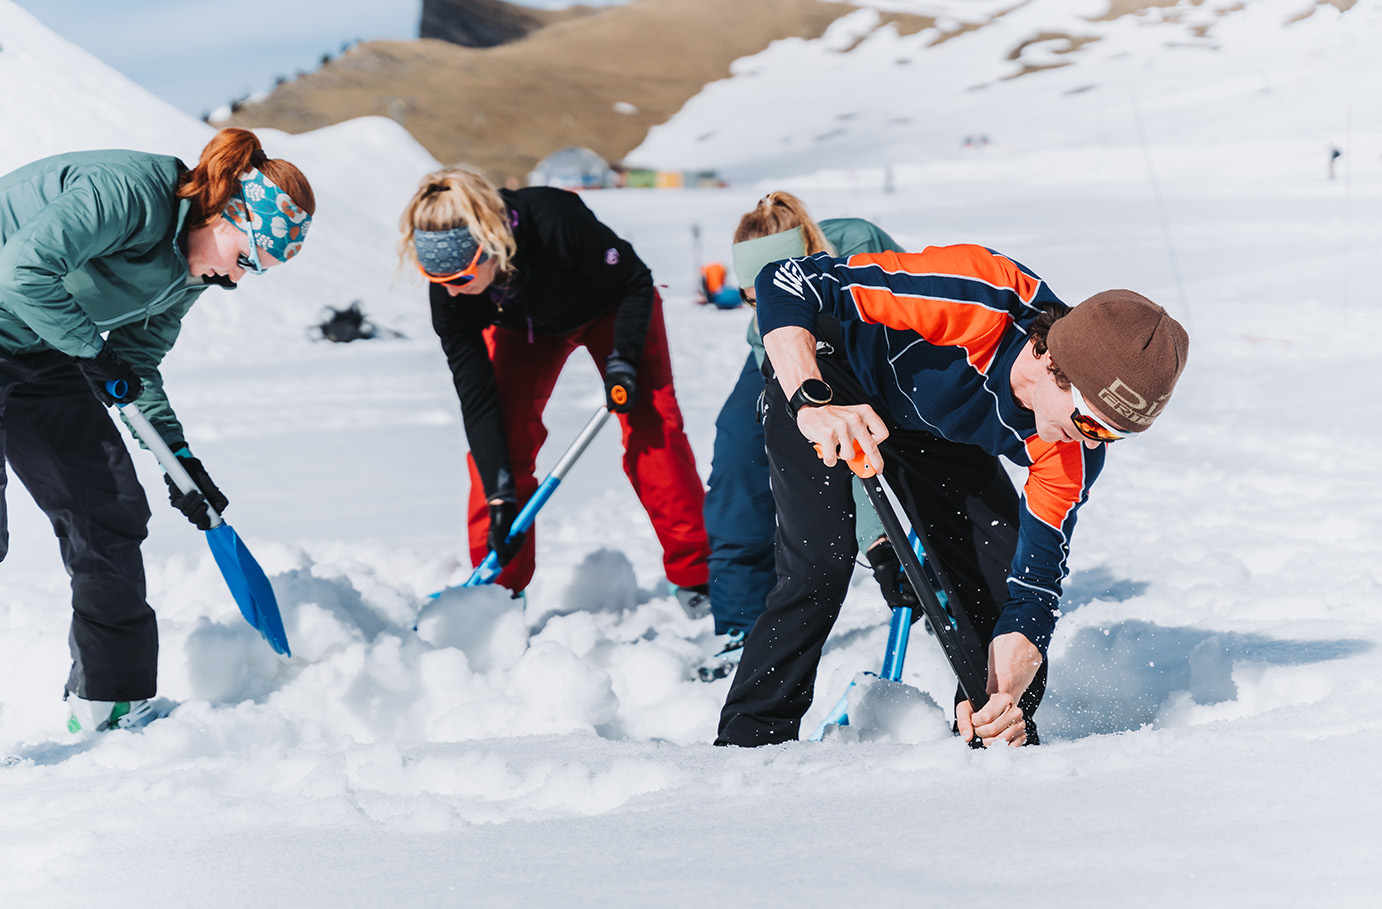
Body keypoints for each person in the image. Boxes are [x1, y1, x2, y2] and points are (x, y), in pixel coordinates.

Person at [716, 243, 1188, 748]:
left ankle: (990, 739)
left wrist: (1004, 692)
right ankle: (748, 745)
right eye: (1091, 421)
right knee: (819, 565)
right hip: (830, 379)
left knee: (1002, 587)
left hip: (931, 425)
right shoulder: (976, 296)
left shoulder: (1071, 449)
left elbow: (1037, 588)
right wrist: (810, 399)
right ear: (1051, 359)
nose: (1094, 443)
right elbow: (786, 279)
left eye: (1115, 434)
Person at [0, 128, 315, 732]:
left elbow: (135, 367)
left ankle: (110, 703)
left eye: (258, 272)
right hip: (30, 321)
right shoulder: (130, 191)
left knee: (108, 511)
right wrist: (93, 354)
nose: (238, 278)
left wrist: (183, 464)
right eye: (246, 258)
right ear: (225, 211)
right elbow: (21, 271)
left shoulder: (191, 274)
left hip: (43, 350)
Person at [398, 166, 710, 608]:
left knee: (652, 428)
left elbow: (635, 282)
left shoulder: (554, 220)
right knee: (501, 445)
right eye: (437, 281)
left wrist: (622, 358)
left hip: (614, 309)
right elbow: (478, 401)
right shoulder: (453, 298)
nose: (449, 293)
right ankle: (496, 591)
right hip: (527, 328)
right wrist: (501, 494)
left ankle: (699, 576)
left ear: (490, 246)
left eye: (460, 279)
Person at [700, 192, 914, 679]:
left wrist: (876, 539)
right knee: (737, 455)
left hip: (865, 343)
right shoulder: (764, 330)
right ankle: (740, 626)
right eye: (751, 300)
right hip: (787, 359)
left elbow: (906, 322)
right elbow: (818, 435)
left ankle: (944, 581)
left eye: (768, 295)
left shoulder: (860, 246)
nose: (760, 309)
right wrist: (876, 542)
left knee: (897, 443)